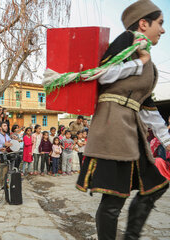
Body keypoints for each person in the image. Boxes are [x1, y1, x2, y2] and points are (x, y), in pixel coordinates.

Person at [76, 1, 170, 239]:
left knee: (157, 182)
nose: (163, 30)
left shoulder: (150, 63)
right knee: (113, 200)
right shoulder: (126, 40)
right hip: (112, 128)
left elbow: (147, 107)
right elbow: (102, 75)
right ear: (143, 23)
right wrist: (139, 63)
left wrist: (167, 141)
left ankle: (130, 236)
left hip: (132, 131)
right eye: (160, 23)